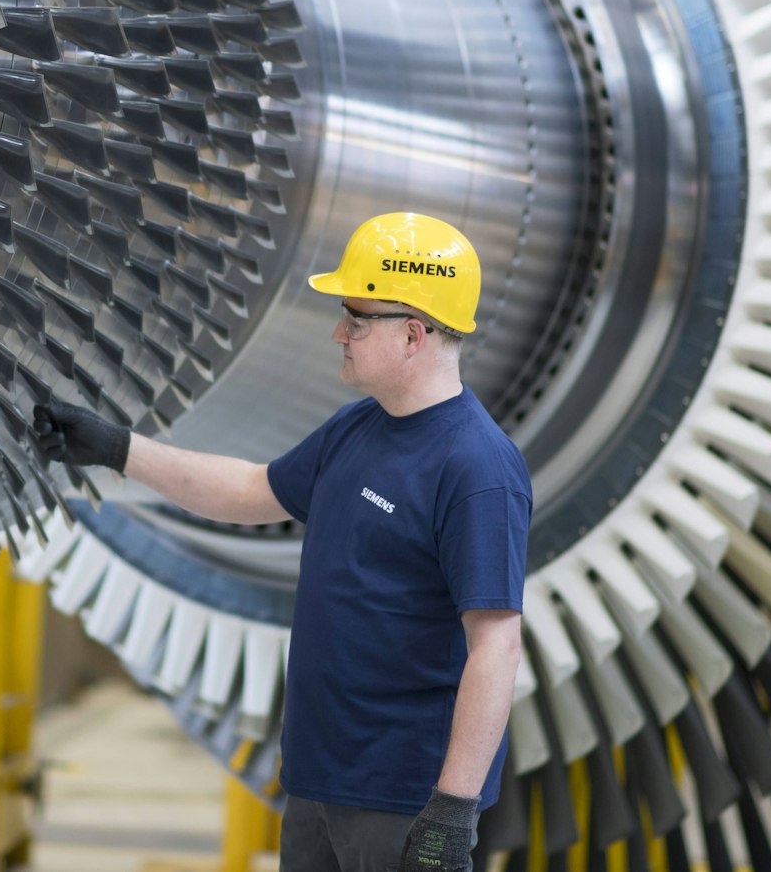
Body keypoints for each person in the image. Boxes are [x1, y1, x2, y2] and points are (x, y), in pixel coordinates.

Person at [33, 212, 530, 872]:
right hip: (319, 785)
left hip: (403, 803)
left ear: (414, 333)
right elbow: (248, 491)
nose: (338, 333)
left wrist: (450, 812)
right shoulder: (357, 429)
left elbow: (496, 646)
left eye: (355, 317)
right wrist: (117, 449)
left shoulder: (476, 468)